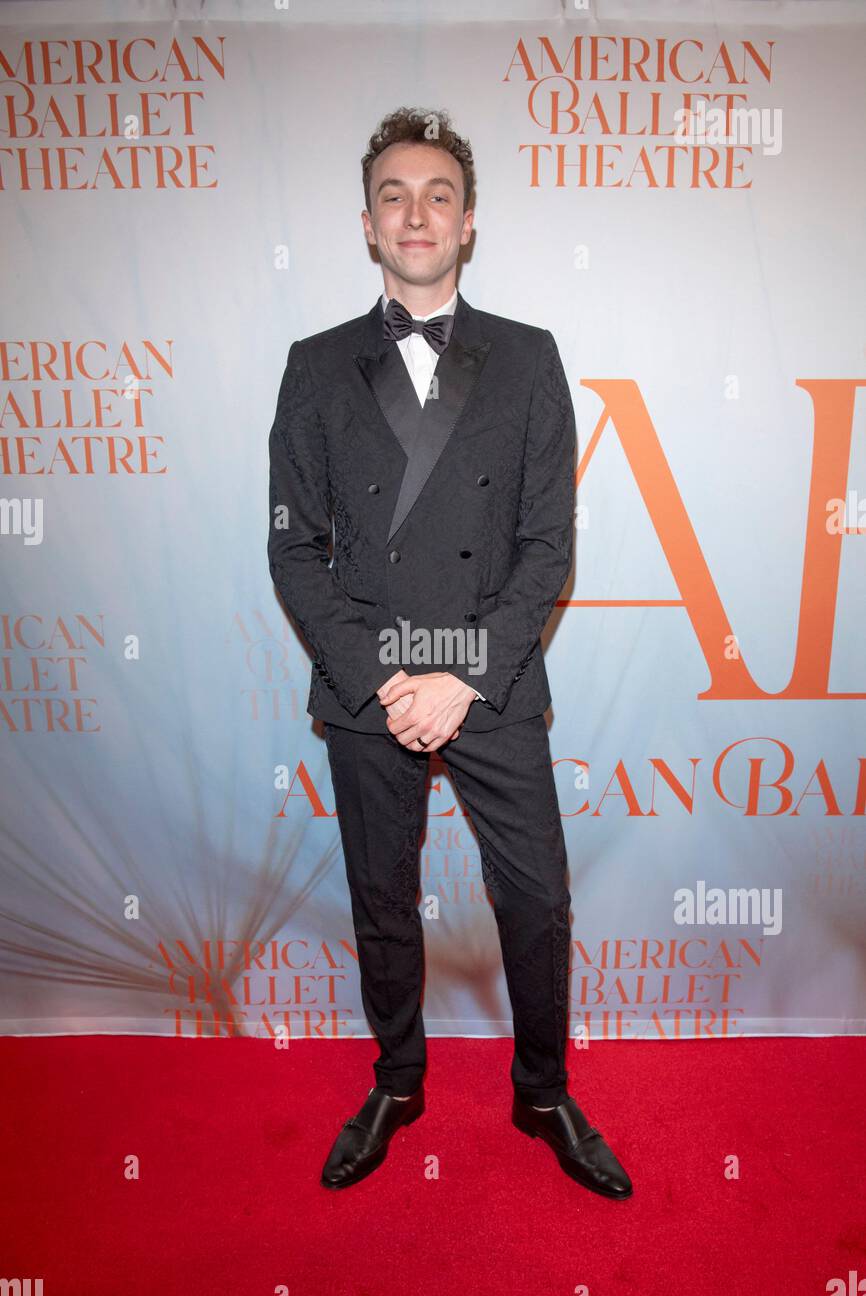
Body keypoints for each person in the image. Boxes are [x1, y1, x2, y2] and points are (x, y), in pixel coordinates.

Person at [267, 106, 632, 1200]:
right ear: (368, 227)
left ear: (466, 223)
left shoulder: (527, 358)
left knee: (537, 895)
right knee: (381, 893)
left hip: (489, 673)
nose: (414, 213)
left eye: (436, 195)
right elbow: (295, 552)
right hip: (369, 676)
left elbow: (542, 544)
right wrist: (387, 679)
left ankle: (541, 1088)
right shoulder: (315, 365)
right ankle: (396, 1079)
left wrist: (461, 674)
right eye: (392, 195)